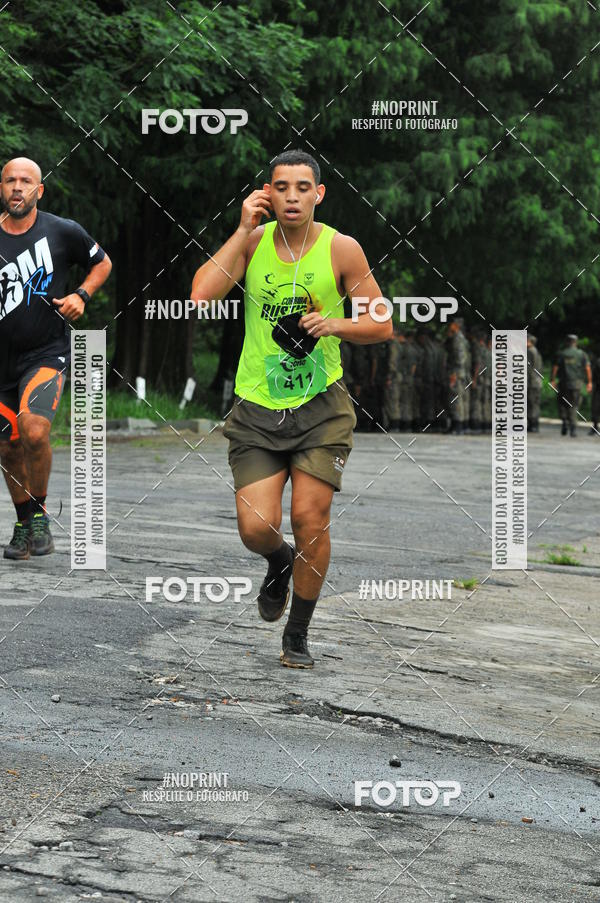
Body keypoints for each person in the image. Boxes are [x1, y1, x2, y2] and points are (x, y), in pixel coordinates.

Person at [190, 149, 391, 668]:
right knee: (257, 527)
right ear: (268, 193)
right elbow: (201, 295)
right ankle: (279, 562)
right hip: (257, 405)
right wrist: (240, 230)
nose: (293, 196)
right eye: (282, 187)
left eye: (303, 187)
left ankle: (297, 632)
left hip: (321, 406)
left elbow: (381, 323)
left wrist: (336, 325)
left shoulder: (341, 249)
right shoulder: (253, 244)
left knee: (309, 515)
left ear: (318, 194)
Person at [0, 157, 112, 560]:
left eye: (26, 181)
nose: (17, 187)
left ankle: (40, 514)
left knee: (33, 431)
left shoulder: (62, 232)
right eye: (10, 180)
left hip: (45, 352)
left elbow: (103, 263)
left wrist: (82, 296)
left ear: (39, 190)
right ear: (1, 187)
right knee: (8, 446)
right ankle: (23, 522)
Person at [551, 334, 592, 437]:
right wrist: (589, 382)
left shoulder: (562, 354)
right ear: (576, 342)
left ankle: (564, 421)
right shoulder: (582, 354)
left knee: (562, 403)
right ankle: (573, 428)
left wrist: (552, 380)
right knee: (574, 405)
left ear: (567, 342)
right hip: (576, 384)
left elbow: (555, 368)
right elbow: (587, 368)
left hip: (563, 383)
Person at [445, 317, 469, 434]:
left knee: (455, 399)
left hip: (456, 372)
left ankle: (457, 425)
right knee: (457, 399)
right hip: (459, 372)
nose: (450, 326)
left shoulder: (457, 339)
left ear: (456, 326)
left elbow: (459, 358)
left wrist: (454, 373)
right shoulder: (460, 338)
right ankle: (457, 424)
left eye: (452, 324)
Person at [527, 335, 543, 433]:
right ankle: (535, 424)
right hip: (537, 381)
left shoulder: (529, 352)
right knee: (536, 403)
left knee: (531, 403)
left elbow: (528, 369)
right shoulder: (537, 352)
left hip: (531, 382)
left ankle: (532, 425)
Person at [589, 351, 600, 437]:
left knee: (595, 408)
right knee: (595, 408)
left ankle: (595, 428)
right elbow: (593, 375)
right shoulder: (598, 362)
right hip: (597, 388)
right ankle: (595, 427)